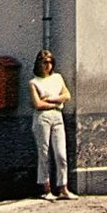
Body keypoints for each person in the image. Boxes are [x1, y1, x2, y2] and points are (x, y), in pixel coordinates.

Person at [28, 48, 76, 199]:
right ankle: (46, 188)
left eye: (49, 62)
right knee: (44, 153)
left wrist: (49, 99)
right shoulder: (34, 82)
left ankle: (63, 188)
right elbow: (37, 104)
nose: (47, 65)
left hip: (58, 117)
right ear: (38, 64)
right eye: (44, 62)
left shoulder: (57, 78)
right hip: (42, 118)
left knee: (61, 153)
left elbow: (67, 95)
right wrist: (56, 102)